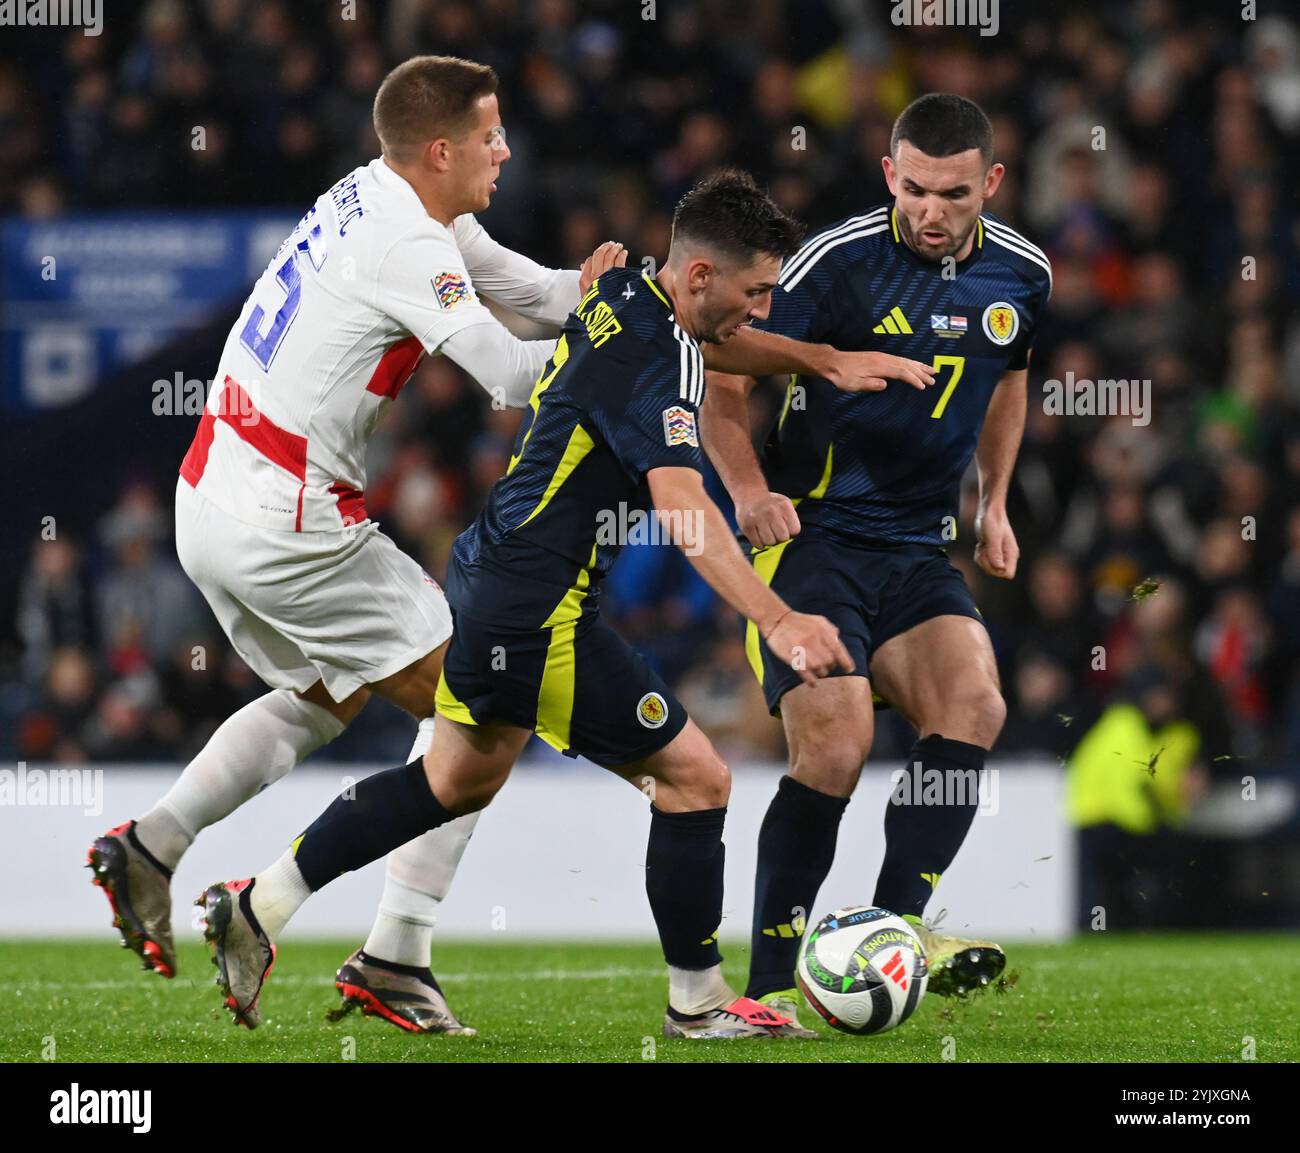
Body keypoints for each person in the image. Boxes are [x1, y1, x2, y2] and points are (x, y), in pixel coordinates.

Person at [195, 169, 870, 1039]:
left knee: (453, 778)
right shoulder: (654, 354)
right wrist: (775, 618)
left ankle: (262, 907)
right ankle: (698, 1004)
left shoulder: (630, 290)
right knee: (696, 777)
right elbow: (683, 507)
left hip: (501, 574)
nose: (763, 311)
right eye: (755, 293)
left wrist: (817, 359)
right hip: (537, 611)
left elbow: (722, 347)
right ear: (701, 277)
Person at [88, 54, 626, 1035]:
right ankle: (388, 951)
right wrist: (627, 344)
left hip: (216, 489)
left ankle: (154, 843)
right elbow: (510, 373)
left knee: (326, 698)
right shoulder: (408, 244)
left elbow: (536, 295)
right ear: (440, 148)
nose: (506, 149)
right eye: (490, 134)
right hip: (286, 512)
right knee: (486, 714)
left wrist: (616, 298)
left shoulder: (383, 201)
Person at [700, 93, 1052, 1032]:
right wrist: (745, 494)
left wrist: (996, 500)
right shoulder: (835, 264)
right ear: (890, 173)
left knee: (975, 703)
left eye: (957, 193)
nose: (934, 211)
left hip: (917, 545)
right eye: (919, 188)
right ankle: (768, 986)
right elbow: (722, 377)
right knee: (839, 740)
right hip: (811, 538)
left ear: (992, 184)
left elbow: (1008, 381)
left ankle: (896, 928)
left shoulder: (1022, 276)